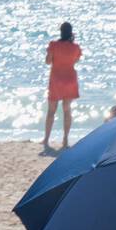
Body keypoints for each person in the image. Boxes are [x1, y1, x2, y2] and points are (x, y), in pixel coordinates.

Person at [43, 21, 81, 150]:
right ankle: (65, 139)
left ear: (60, 31)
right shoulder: (76, 47)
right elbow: (75, 60)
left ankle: (46, 139)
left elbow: (48, 62)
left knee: (51, 111)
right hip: (70, 79)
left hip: (56, 80)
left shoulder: (53, 45)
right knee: (67, 110)